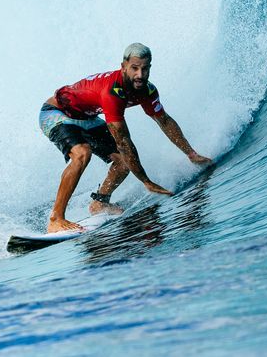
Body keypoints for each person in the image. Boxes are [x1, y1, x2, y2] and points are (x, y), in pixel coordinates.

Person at [38, 43, 212, 233]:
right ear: (123, 67)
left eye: (145, 69)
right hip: (56, 113)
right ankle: (56, 218)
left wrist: (191, 153)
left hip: (87, 117)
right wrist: (146, 181)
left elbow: (165, 121)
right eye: (135, 68)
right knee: (82, 154)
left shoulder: (147, 90)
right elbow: (123, 142)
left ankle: (99, 203)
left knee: (122, 163)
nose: (140, 75)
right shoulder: (112, 92)